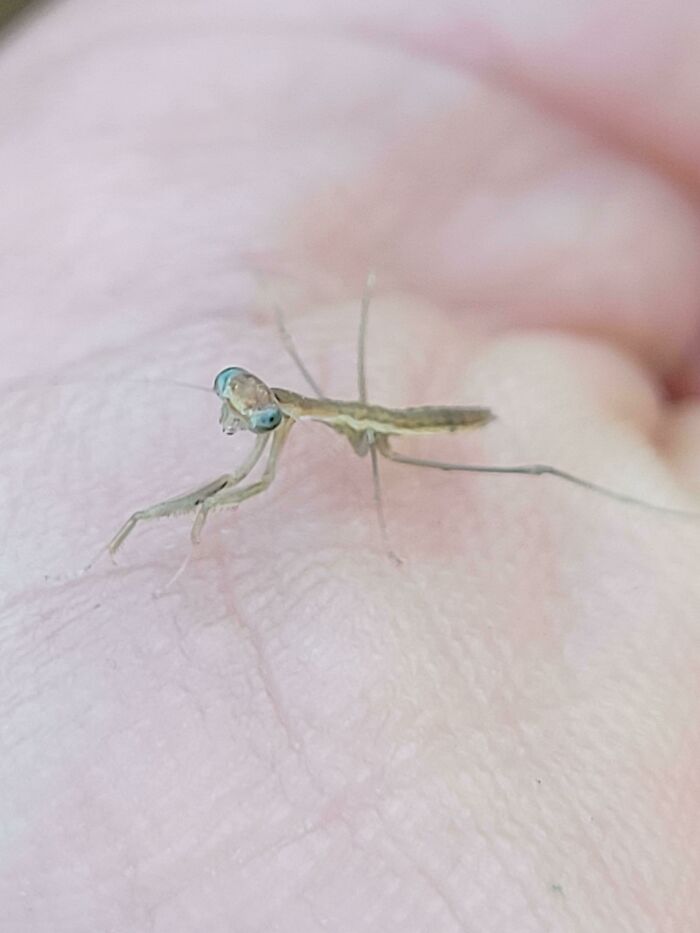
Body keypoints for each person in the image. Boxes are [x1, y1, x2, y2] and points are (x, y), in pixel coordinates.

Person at [2, 2, 699, 930]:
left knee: (536, 471)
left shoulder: (312, 417)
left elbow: (256, 475)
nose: (238, 411)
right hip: (373, 415)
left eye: (245, 401)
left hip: (432, 422)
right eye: (238, 397)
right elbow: (252, 466)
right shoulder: (280, 411)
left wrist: (372, 529)